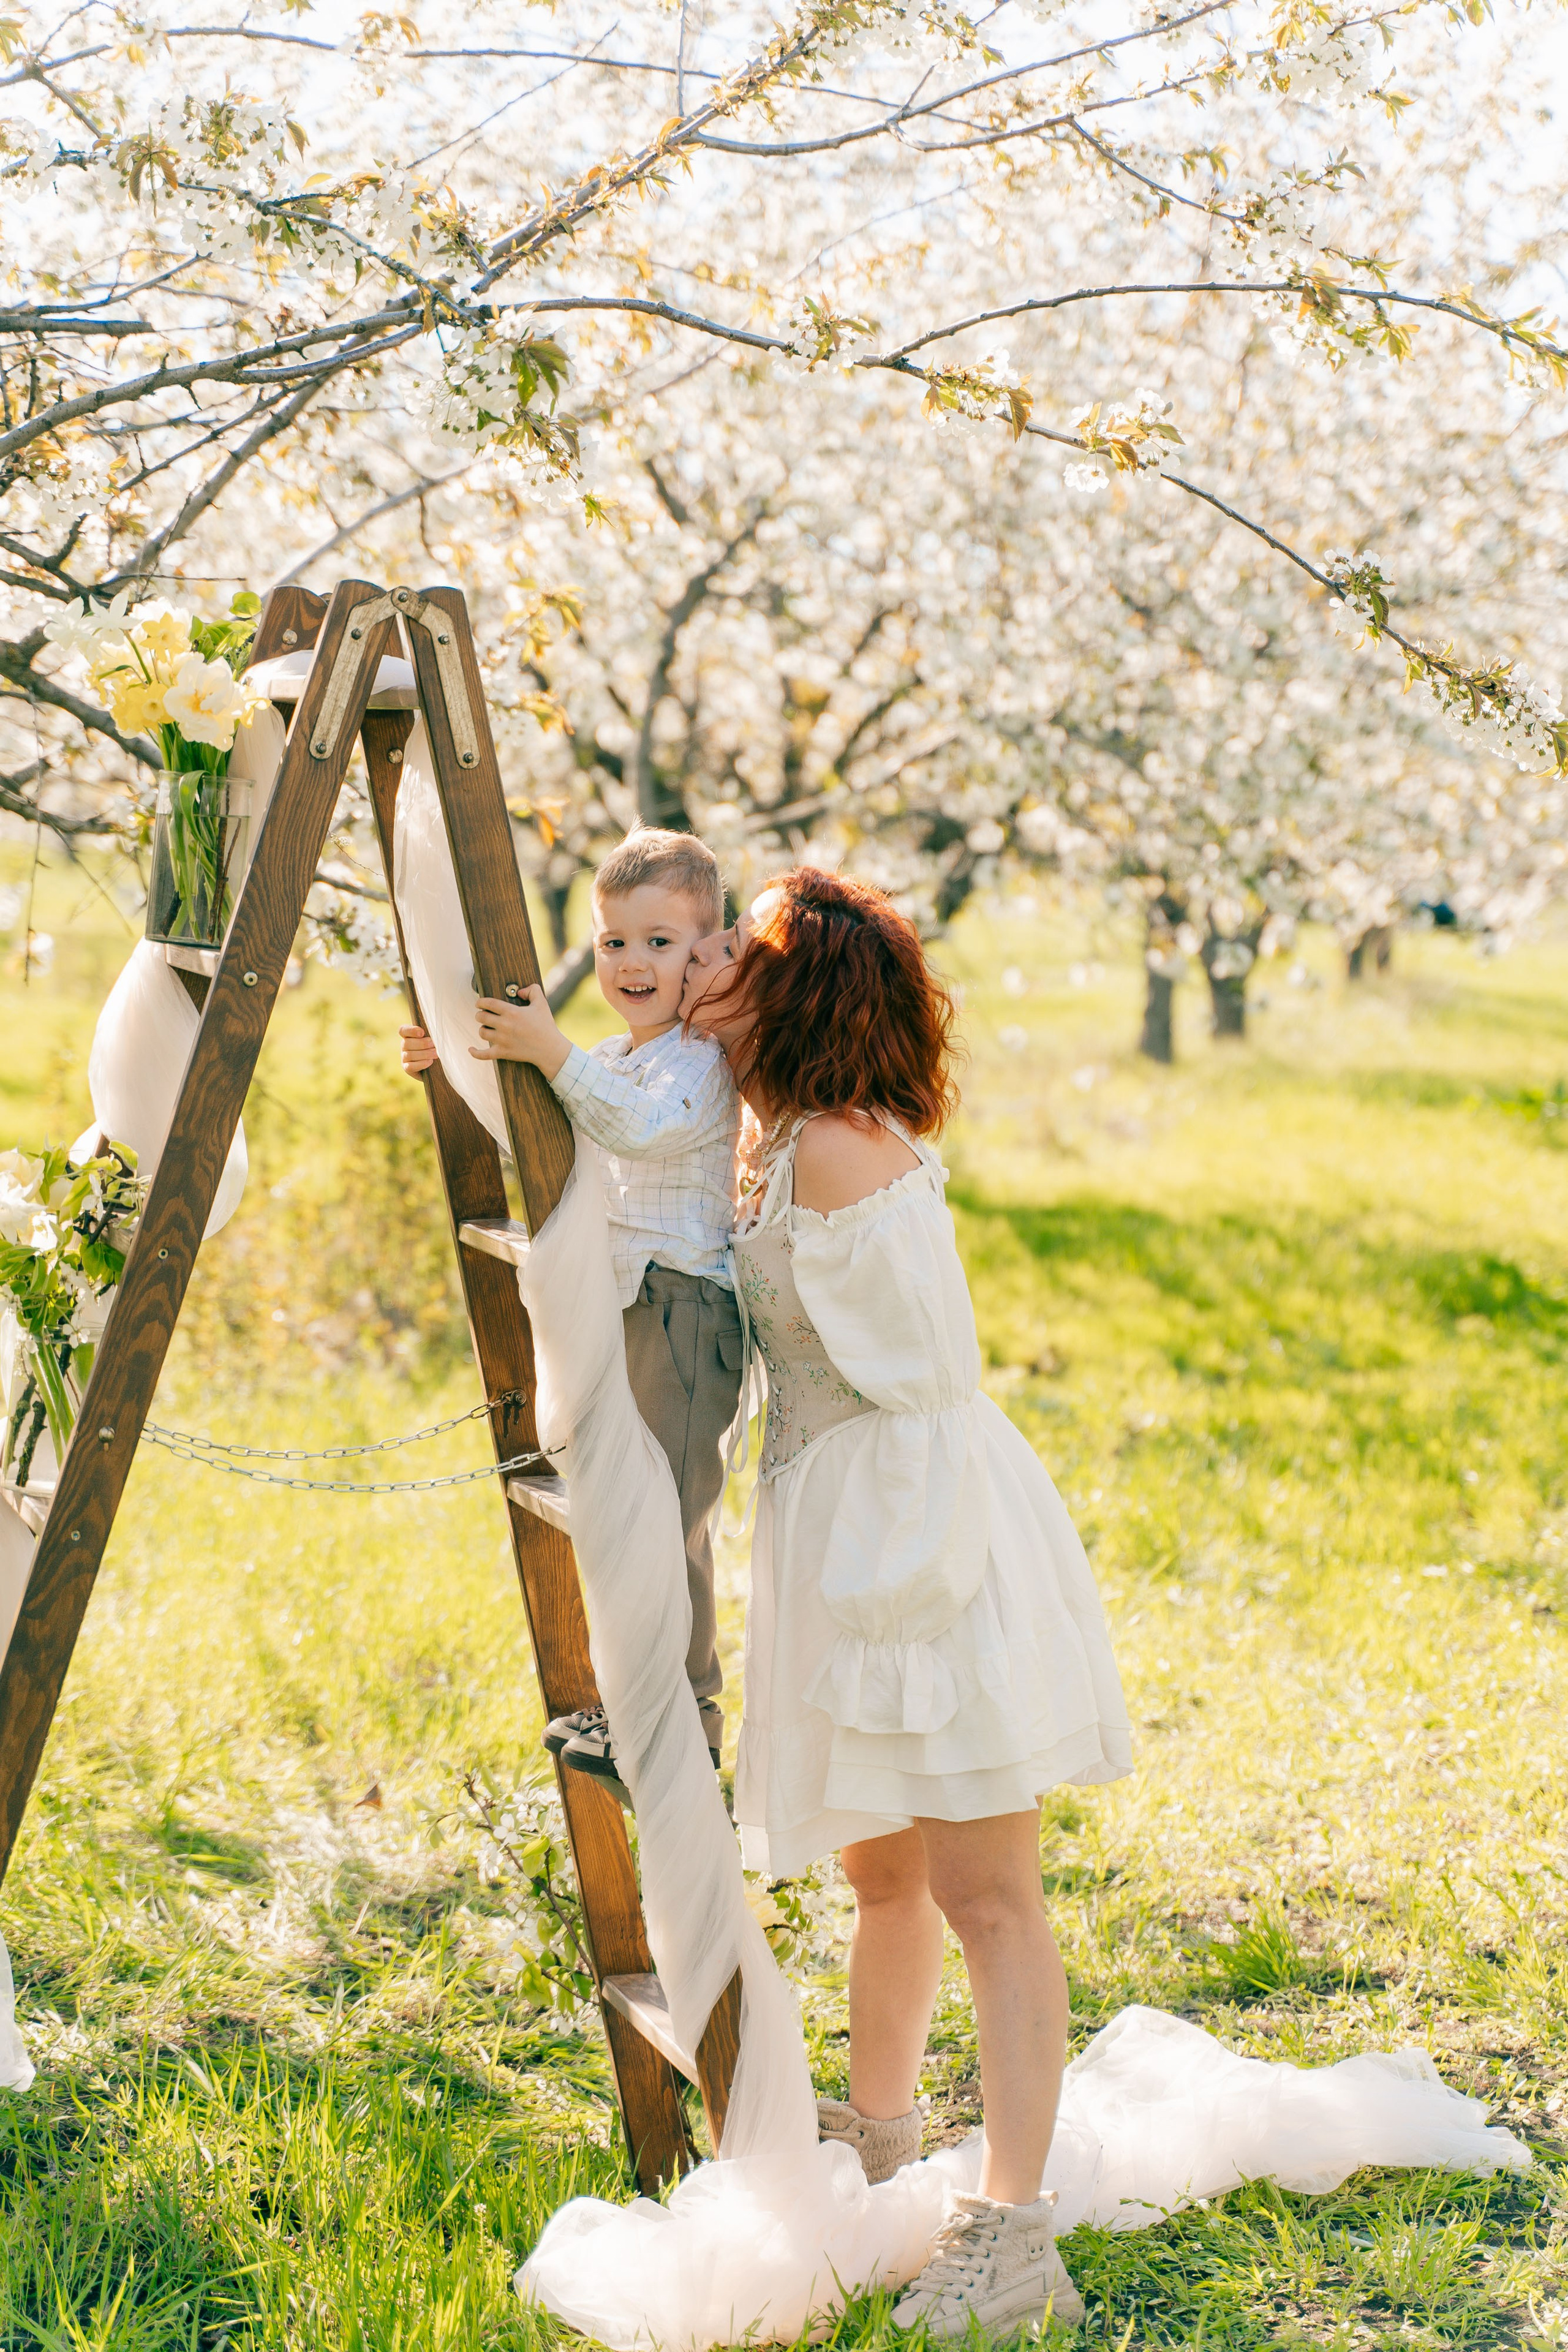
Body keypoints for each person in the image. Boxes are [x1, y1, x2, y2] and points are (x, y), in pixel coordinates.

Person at [679, 868, 1133, 2339]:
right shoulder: (772, 1139)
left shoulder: (836, 1155)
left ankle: (1009, 2225)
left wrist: (896, 1597)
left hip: (915, 1541)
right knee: (885, 1881)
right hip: (839, 1526)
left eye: (729, 955)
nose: (701, 969)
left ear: (790, 992)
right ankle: (878, 2135)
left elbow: (926, 1388)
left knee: (987, 1895)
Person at [400, 827, 743, 1795]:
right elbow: (550, 1139)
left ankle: (689, 1719)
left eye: (661, 941)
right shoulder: (608, 1057)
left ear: (708, 951)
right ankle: (633, 1701)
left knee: (670, 1517)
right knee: (621, 1515)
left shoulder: (696, 1062)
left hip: (683, 1313)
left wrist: (547, 1050)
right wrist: (458, 1071)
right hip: (630, 1309)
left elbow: (631, 1126)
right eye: (613, 941)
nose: (632, 962)